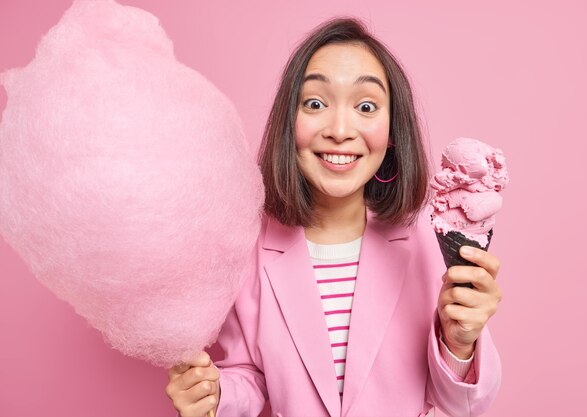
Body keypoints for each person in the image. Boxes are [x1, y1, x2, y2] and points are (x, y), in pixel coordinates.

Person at [166, 17, 502, 417]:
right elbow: (251, 375)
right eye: (315, 103)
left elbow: (462, 405)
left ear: (392, 131)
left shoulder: (428, 241)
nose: (340, 130)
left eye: (365, 106)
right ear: (289, 123)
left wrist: (460, 344)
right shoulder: (248, 249)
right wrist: (215, 396)